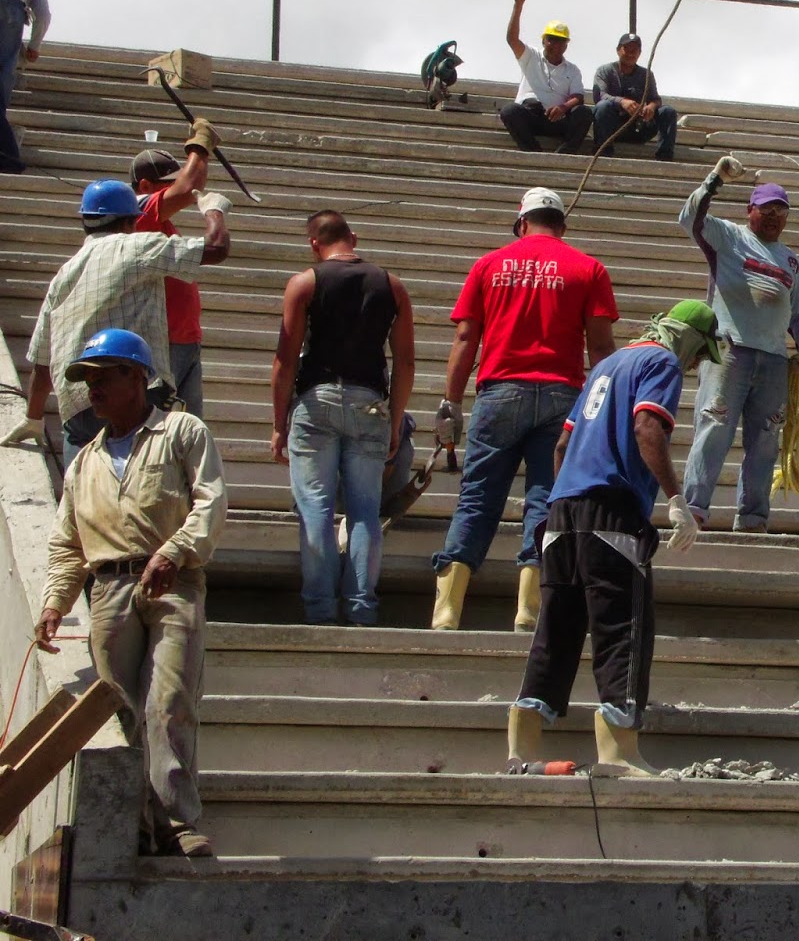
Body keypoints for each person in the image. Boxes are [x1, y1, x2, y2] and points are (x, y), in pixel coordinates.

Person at [35, 328, 226, 858]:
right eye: (87, 379)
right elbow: (65, 542)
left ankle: (175, 823)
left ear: (138, 377)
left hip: (173, 582)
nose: (91, 389)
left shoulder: (181, 432)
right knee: (119, 711)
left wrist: (174, 551)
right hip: (108, 590)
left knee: (168, 703)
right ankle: (135, 824)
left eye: (103, 377)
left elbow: (210, 501)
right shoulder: (84, 462)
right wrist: (55, 601)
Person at [506, 300, 718, 778]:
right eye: (700, 354)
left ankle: (523, 746)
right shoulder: (660, 362)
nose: (696, 365)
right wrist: (676, 499)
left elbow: (563, 444)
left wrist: (566, 497)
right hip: (612, 511)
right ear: (687, 339)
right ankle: (618, 751)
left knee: (556, 629)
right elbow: (647, 427)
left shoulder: (607, 365)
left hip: (561, 512)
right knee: (623, 628)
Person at [431, 187, 618, 631]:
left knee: (477, 498)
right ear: (562, 227)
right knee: (546, 501)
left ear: (521, 223)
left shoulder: (489, 265)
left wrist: (451, 402)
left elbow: (464, 339)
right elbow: (602, 346)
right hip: (561, 396)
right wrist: (606, 407)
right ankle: (528, 610)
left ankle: (447, 611)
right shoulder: (588, 268)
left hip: (499, 392)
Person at [6, 154, 230, 461]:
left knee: (83, 499)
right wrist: (214, 210)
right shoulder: (138, 245)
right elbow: (216, 248)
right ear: (130, 221)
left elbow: (43, 360)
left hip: (78, 407)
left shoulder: (64, 275)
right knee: (146, 488)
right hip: (130, 396)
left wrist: (33, 416)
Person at [270, 211, 414, 626]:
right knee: (365, 511)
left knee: (315, 507)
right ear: (353, 236)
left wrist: (280, 423)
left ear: (314, 243)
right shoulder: (392, 285)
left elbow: (284, 360)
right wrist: (395, 420)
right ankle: (361, 607)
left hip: (317, 402)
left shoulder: (305, 283)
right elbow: (404, 360)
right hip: (371, 403)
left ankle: (319, 609)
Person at [678, 157, 799, 532]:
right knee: (714, 426)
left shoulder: (791, 260)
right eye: (767, 208)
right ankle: (694, 510)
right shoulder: (728, 235)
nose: (774, 216)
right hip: (729, 349)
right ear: (750, 210)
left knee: (766, 440)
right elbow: (689, 218)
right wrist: (714, 178)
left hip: (773, 359)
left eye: (781, 211)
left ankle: (753, 518)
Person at [131, 144, 231, 417]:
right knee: (157, 429)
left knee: (186, 432)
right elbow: (189, 188)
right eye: (166, 186)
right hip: (162, 343)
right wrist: (199, 146)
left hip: (183, 340)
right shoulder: (138, 212)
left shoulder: (159, 222)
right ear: (146, 186)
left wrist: (203, 152)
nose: (173, 192)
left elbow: (190, 186)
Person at [497, 0, 592, 153]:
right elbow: (512, 39)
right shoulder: (531, 57)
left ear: (566, 45)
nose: (556, 44)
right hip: (531, 115)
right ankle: (533, 152)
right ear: (543, 41)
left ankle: (565, 154)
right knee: (509, 111)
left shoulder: (572, 70)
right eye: (552, 39)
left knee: (584, 113)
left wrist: (562, 108)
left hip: (557, 118)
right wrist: (518, 6)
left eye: (560, 41)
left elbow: (578, 97)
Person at [592, 33, 679, 160]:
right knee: (603, 106)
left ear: (639, 53)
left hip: (638, 127)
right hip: (613, 128)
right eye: (626, 49)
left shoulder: (646, 74)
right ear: (618, 50)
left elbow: (656, 99)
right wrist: (621, 102)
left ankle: (665, 156)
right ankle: (604, 152)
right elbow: (600, 95)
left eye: (635, 50)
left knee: (667, 111)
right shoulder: (605, 71)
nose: (630, 53)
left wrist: (651, 107)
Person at [0, 0, 49, 174]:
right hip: (10, 7)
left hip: (10, 6)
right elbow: (44, 16)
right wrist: (34, 47)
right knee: (4, 71)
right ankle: (10, 159)